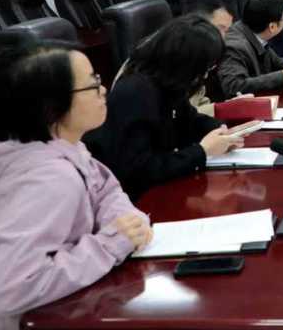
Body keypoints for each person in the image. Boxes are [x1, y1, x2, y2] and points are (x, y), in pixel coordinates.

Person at [0, 42, 162, 330]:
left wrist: (122, 220)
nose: (103, 91)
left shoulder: (47, 145)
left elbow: (103, 187)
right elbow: (11, 288)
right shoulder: (45, 180)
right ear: (51, 106)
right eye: (92, 84)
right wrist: (110, 244)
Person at [85, 17, 243, 199]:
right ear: (185, 63)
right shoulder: (135, 93)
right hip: (133, 198)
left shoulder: (169, 83)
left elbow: (190, 120)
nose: (205, 76)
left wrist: (222, 131)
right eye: (204, 68)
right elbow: (140, 170)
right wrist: (202, 151)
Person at [218, 0, 283, 96]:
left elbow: (274, 61)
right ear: (272, 27)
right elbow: (234, 86)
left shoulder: (254, 32)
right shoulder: (235, 47)